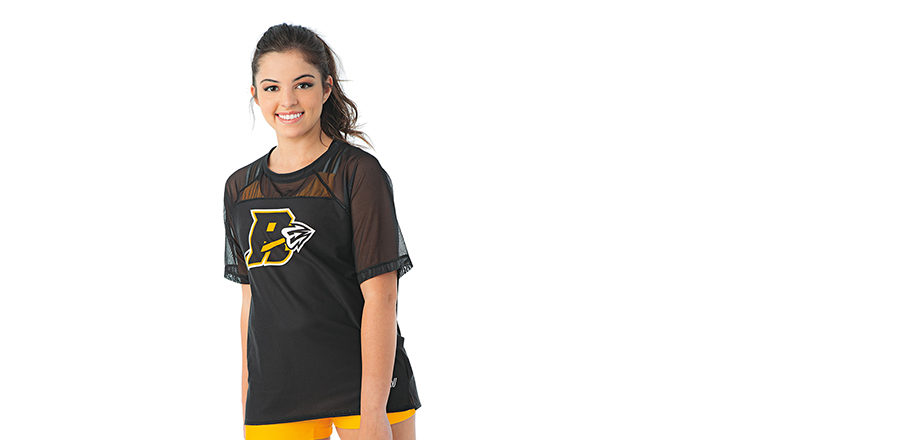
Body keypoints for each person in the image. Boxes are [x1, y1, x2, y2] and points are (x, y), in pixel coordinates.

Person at [223, 23, 420, 440]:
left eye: (303, 84)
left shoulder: (357, 174)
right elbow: (251, 301)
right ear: (255, 95)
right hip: (277, 393)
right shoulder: (239, 188)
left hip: (363, 382)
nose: (288, 100)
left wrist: (374, 411)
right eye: (272, 88)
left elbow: (382, 297)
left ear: (327, 88)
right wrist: (247, 399)